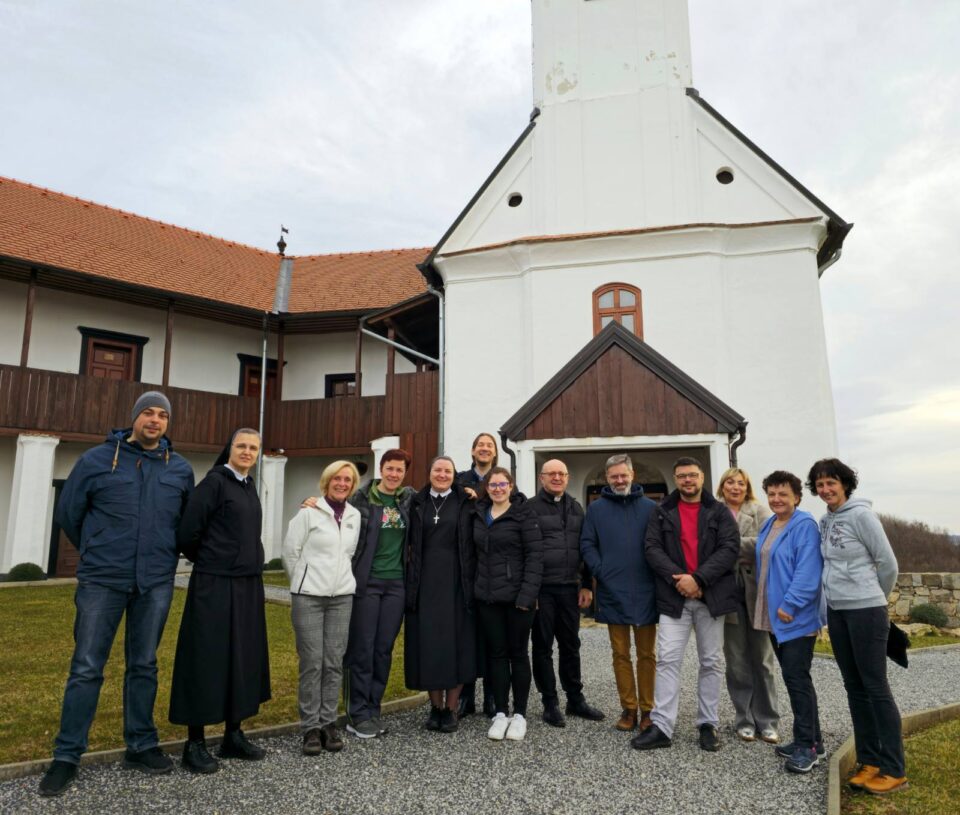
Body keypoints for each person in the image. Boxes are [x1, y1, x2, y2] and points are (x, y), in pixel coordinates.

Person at [39, 391, 194, 797]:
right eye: (148, 413)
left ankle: (140, 745)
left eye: (162, 415)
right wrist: (95, 549)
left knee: (143, 665)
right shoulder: (95, 461)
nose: (155, 420)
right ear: (134, 418)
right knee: (87, 667)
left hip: (155, 582)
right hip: (102, 581)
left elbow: (183, 522)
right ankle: (67, 755)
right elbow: (69, 514)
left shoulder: (178, 469)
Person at [169, 428, 271, 773]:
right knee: (206, 658)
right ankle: (194, 742)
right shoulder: (213, 483)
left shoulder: (248, 485)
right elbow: (187, 533)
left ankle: (233, 734)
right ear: (229, 449)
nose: (247, 452)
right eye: (241, 446)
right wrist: (214, 559)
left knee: (241, 657)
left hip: (246, 585)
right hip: (214, 584)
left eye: (253, 447)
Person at [808, 458, 907, 795]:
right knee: (854, 687)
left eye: (831, 483)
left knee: (876, 688)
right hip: (838, 611)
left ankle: (894, 769)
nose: (825, 490)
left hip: (866, 610)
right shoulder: (825, 520)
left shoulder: (862, 516)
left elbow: (887, 563)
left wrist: (874, 597)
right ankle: (870, 760)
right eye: (820, 485)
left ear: (845, 483)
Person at [633, 457, 739, 752]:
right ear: (676, 479)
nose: (687, 481)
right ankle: (662, 726)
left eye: (692, 475)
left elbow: (729, 548)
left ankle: (708, 724)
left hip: (710, 596)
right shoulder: (661, 511)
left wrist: (699, 579)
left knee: (711, 661)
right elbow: (651, 549)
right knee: (667, 661)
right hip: (673, 597)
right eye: (682, 476)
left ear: (702, 477)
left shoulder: (718, 511)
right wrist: (680, 580)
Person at [283, 460, 361, 755]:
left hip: (341, 596)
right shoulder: (309, 513)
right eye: (337, 479)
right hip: (309, 598)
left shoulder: (354, 515)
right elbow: (290, 552)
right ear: (326, 482)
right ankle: (310, 727)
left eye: (348, 480)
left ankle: (329, 722)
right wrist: (303, 583)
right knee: (312, 662)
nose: (342, 483)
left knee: (333, 661)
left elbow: (349, 553)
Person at [580, 454, 658, 733]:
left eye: (623, 475)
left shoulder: (651, 508)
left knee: (647, 654)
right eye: (614, 476)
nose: (619, 480)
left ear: (632, 474)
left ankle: (649, 710)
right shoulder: (596, 510)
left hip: (646, 589)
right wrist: (601, 571)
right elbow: (587, 544)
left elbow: (659, 544)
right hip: (613, 589)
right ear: (607, 478)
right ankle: (629, 708)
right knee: (620, 653)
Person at [343, 449, 416, 739]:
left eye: (399, 470)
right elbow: (333, 506)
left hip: (396, 584)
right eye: (389, 468)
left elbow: (444, 494)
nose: (394, 474)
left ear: (404, 474)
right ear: (381, 468)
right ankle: (356, 713)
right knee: (362, 648)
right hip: (367, 583)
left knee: (383, 649)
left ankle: (373, 708)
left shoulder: (408, 499)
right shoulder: (360, 498)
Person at [755, 471, 824, 774]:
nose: (776, 499)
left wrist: (791, 603)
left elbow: (809, 571)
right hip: (774, 617)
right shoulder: (771, 523)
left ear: (797, 496)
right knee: (794, 678)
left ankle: (807, 747)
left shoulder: (804, 525)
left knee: (797, 680)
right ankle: (811, 740)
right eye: (771, 494)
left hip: (794, 617)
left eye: (783, 494)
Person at [469, 467, 543, 741]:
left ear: (511, 486)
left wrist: (527, 595)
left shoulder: (523, 514)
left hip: (518, 599)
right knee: (496, 655)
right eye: (492, 484)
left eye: (502, 484)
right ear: (486, 488)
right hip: (487, 598)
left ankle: (520, 714)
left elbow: (535, 557)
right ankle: (501, 712)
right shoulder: (479, 514)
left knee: (518, 654)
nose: (497, 488)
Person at [529, 459, 605, 727]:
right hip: (542, 590)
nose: (557, 477)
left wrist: (585, 584)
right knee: (542, 647)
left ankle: (575, 699)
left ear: (568, 477)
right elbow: (526, 550)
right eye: (552, 474)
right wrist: (530, 590)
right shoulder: (529, 508)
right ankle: (549, 702)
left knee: (571, 646)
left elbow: (584, 547)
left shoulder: (575, 507)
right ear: (542, 478)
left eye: (561, 473)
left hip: (570, 588)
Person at [404, 456, 477, 733]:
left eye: (448, 471)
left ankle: (452, 708)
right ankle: (435, 706)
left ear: (454, 474)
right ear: (429, 472)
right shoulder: (416, 502)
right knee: (430, 645)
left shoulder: (466, 501)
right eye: (438, 470)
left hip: (458, 582)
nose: (443, 474)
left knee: (456, 644)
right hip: (424, 582)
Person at [716, 467, 780, 744]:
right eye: (730, 482)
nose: (735, 487)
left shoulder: (759, 510)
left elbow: (768, 543)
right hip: (726, 592)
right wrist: (742, 549)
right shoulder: (714, 511)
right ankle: (744, 718)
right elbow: (708, 547)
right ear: (722, 486)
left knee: (763, 659)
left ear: (747, 486)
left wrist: (729, 547)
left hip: (757, 592)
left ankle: (767, 719)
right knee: (736, 659)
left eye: (740, 483)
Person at [456, 432, 498, 717]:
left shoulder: (502, 479)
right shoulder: (459, 480)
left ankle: (493, 697)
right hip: (464, 562)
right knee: (467, 633)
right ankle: (466, 696)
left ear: (494, 453)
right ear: (473, 451)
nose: (484, 449)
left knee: (492, 634)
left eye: (489, 445)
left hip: (493, 565)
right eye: (480, 445)